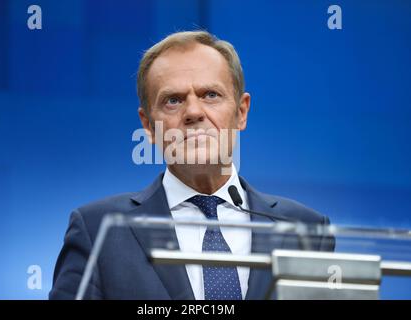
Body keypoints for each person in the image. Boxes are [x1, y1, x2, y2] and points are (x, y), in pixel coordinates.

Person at [49, 30, 334, 300]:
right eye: (173, 100)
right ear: (148, 125)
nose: (194, 112)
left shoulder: (306, 230)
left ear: (241, 112)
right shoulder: (97, 230)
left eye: (211, 94)